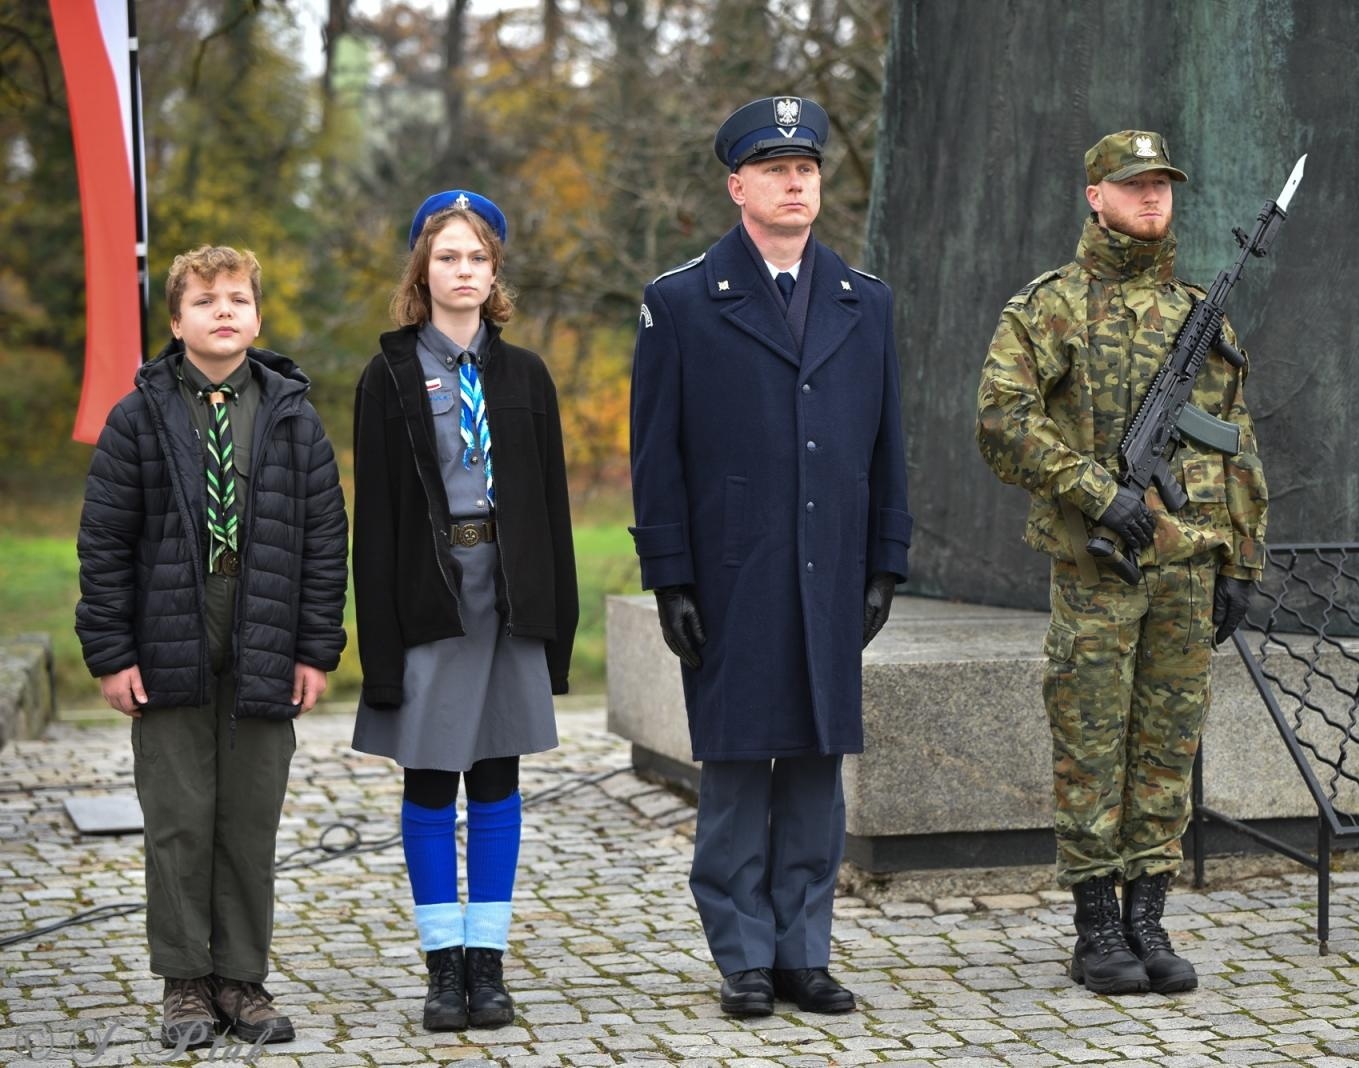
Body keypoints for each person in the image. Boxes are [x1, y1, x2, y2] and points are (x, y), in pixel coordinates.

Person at [628, 95, 912, 1017]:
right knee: (741, 769)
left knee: (817, 774)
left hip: (831, 568)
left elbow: (887, 443)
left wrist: (885, 562)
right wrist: (669, 577)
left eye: (807, 169)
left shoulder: (865, 301)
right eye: (776, 169)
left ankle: (804, 953)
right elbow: (655, 455)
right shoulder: (681, 301)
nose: (796, 183)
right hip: (734, 571)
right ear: (737, 186)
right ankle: (744, 956)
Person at [975, 130, 1269, 996]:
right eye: (1133, 184)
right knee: (1091, 746)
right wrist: (1099, 495)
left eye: (1162, 184)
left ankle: (1149, 917)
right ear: (1094, 197)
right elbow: (1001, 423)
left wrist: (1244, 557)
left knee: (1168, 749)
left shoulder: (1198, 311)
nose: (1152, 197)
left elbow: (1235, 439)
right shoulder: (1049, 307)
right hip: (1097, 569)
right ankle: (1097, 926)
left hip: (1189, 566)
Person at [75, 245, 347, 1048]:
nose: (223, 311)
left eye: (237, 299)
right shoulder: (139, 417)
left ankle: (241, 977)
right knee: (179, 818)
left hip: (265, 639)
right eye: (204, 301)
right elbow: (104, 542)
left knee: (249, 820)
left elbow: (324, 541)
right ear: (175, 321)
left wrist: (315, 650)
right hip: (169, 644)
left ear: (257, 317)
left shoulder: (293, 416)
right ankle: (186, 981)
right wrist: (111, 653)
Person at [351, 190, 578, 1032]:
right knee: (430, 777)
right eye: (447, 256)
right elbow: (375, 523)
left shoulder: (525, 376)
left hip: (508, 598)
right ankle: (441, 966)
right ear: (422, 270)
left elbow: (553, 509)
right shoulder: (388, 376)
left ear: (495, 271)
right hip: (431, 596)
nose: (463, 271)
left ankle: (488, 962)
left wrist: (558, 634)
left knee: (496, 779)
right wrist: (379, 655)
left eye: (477, 257)